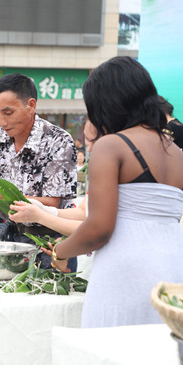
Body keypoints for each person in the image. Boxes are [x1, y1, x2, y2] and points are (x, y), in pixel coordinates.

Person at [42, 56, 183, 328]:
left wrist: (60, 251)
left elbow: (98, 228)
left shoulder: (113, 146)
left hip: (126, 270)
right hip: (174, 268)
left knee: (109, 350)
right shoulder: (177, 152)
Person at [0, 73, 78, 272]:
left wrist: (1, 195)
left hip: (50, 243)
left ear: (31, 105)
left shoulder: (57, 141)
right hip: (7, 241)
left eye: (8, 112)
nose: (2, 121)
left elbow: (52, 203)